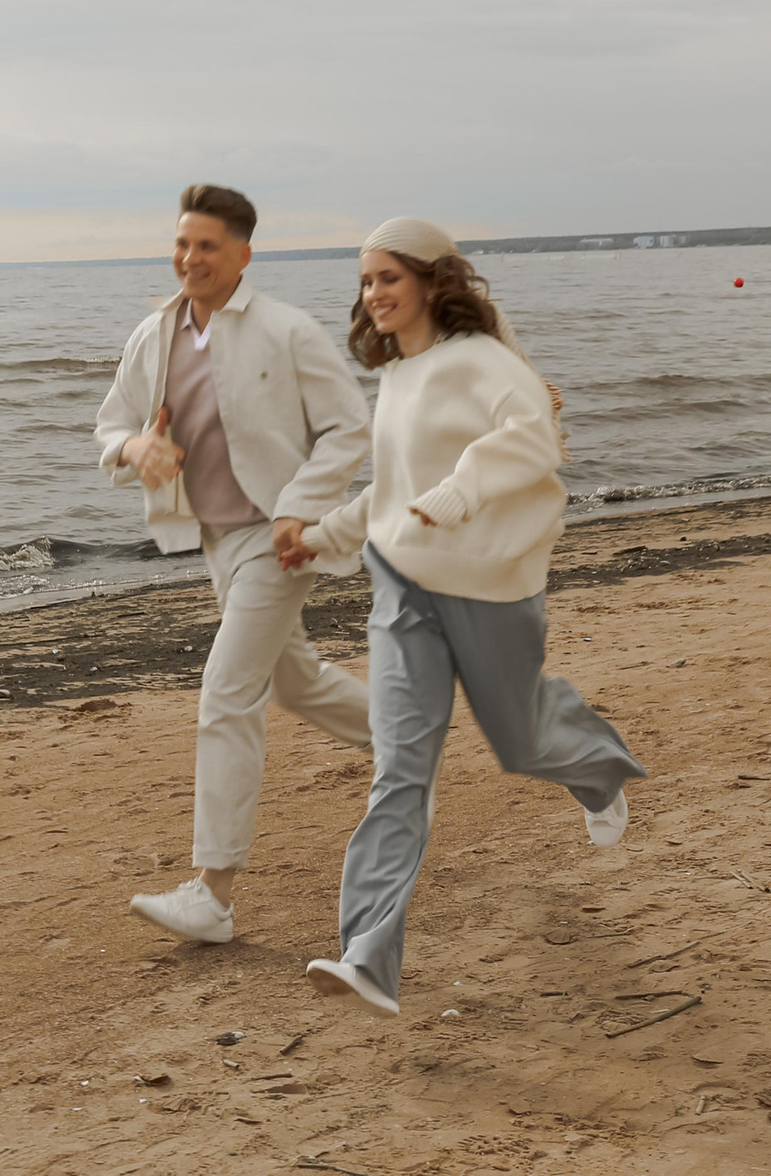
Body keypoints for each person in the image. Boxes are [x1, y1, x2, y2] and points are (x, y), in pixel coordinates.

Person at [279, 216, 645, 1016]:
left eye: (387, 278)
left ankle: (598, 769)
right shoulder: (399, 378)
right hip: (402, 585)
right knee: (399, 769)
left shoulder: (479, 361)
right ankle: (367, 955)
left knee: (522, 739)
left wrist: (467, 485)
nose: (373, 294)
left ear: (431, 281)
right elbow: (391, 488)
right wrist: (321, 537)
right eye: (365, 281)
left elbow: (534, 436)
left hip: (488, 587)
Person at [96, 184, 375, 946]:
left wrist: (302, 505)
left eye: (208, 246)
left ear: (244, 254)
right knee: (293, 679)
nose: (191, 258)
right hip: (216, 540)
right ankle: (405, 736)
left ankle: (212, 893)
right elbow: (111, 424)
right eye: (183, 243)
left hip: (279, 538)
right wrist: (136, 449)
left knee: (227, 690)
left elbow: (350, 427)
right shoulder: (154, 334)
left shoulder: (287, 331)